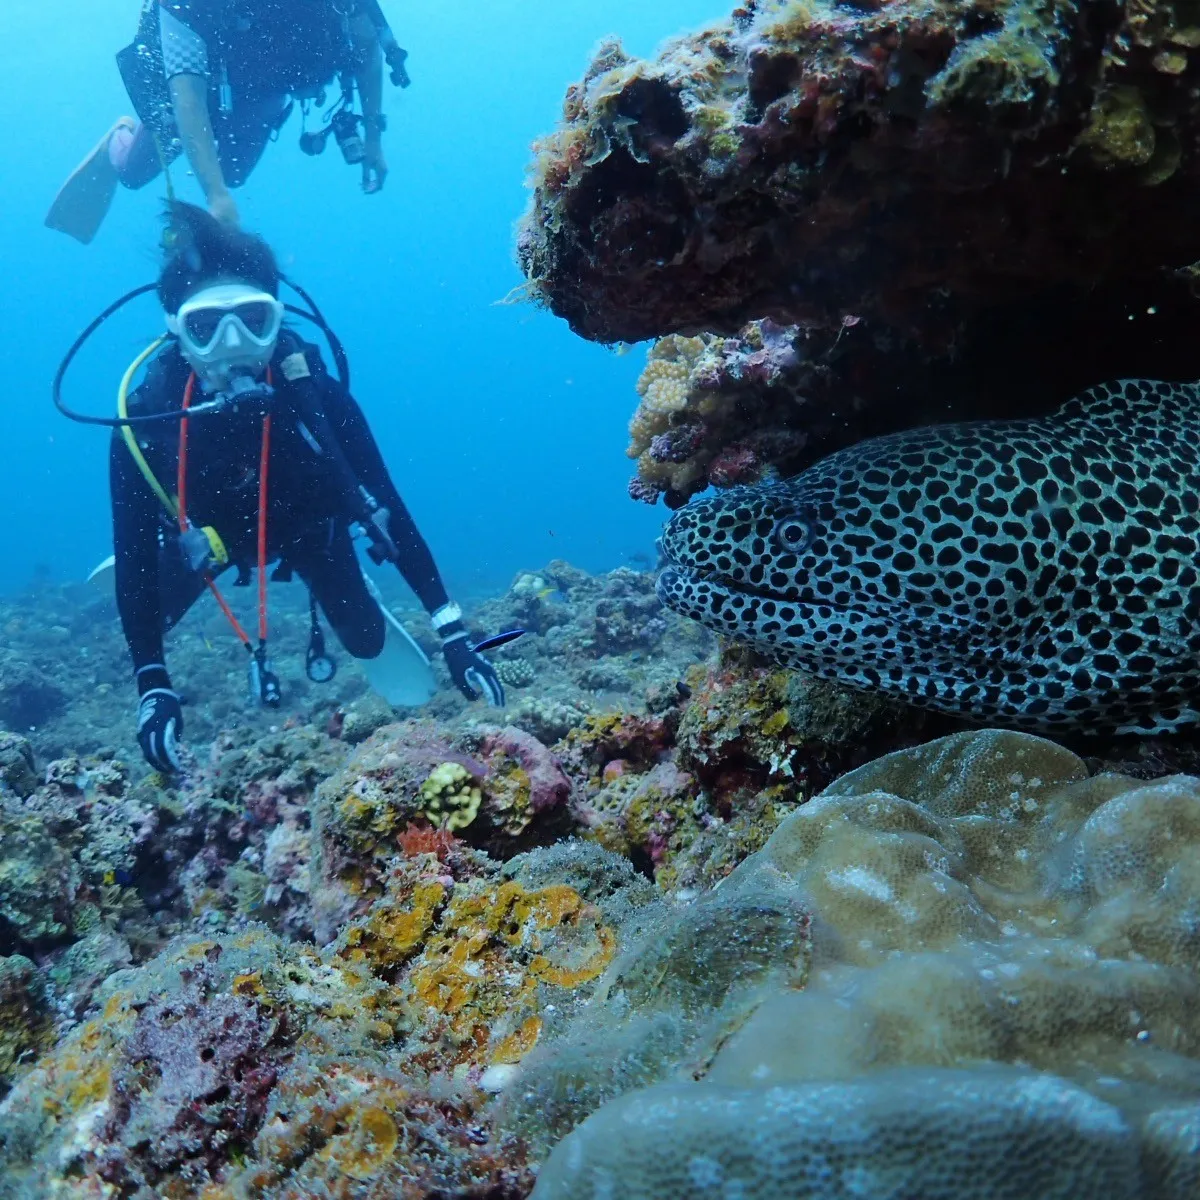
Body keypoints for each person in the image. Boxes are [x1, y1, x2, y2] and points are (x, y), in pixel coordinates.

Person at [113, 202, 503, 773]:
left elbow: (392, 507)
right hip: (205, 542)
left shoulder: (320, 400)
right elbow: (134, 555)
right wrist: (154, 686)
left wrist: (453, 634)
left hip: (309, 533)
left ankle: (345, 591)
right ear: (176, 329)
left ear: (277, 320)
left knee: (365, 638)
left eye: (252, 319)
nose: (232, 343)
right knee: (149, 609)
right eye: (205, 326)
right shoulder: (146, 420)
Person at [47, 0, 405, 244]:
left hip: (263, 90)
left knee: (233, 173)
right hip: (201, 82)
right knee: (133, 173)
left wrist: (374, 138)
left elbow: (368, 52)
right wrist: (214, 195)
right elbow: (187, 95)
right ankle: (119, 141)